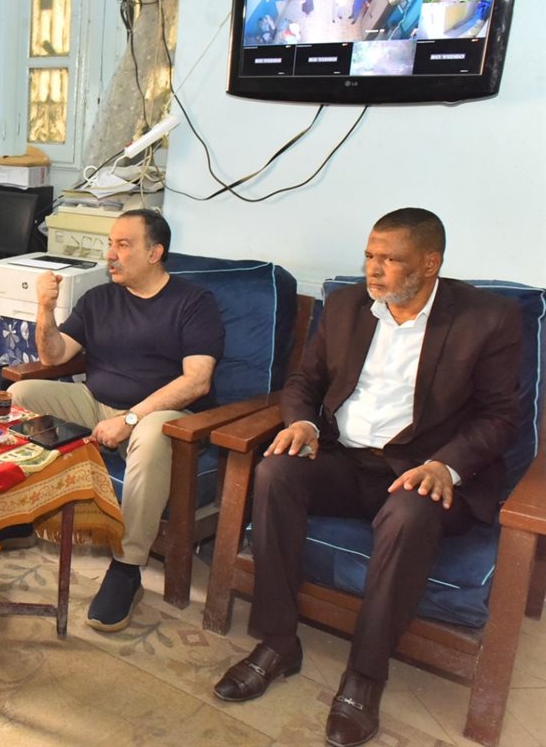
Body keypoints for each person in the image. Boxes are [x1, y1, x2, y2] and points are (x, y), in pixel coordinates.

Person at [212, 208, 521, 747]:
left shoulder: (487, 318)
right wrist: (303, 423)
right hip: (344, 457)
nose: (373, 270)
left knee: (408, 514)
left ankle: (365, 675)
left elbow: (499, 417)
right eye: (369, 256)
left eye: (389, 260)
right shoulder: (347, 304)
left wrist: (445, 465)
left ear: (430, 263)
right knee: (276, 470)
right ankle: (278, 641)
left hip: (422, 470)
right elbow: (304, 381)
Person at [9, 210, 224, 632]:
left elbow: (197, 381)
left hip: (161, 415)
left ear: (155, 252)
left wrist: (131, 418)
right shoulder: (99, 299)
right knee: (20, 395)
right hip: (95, 402)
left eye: (123, 245)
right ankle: (19, 514)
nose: (110, 254)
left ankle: (127, 568)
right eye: (110, 244)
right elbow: (54, 356)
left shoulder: (194, 303)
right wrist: (45, 309)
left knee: (152, 434)